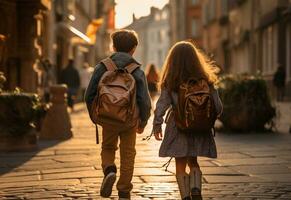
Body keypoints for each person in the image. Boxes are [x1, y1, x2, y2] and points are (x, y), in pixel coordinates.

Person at [85, 29, 151, 200]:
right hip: (129, 120)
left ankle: (109, 169)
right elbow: (144, 100)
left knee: (108, 148)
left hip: (108, 117)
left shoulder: (102, 66)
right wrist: (143, 121)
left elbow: (89, 95)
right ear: (134, 48)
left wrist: (96, 116)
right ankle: (124, 190)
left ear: (113, 46)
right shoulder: (136, 70)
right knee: (128, 153)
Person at [152, 41, 222, 200]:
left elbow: (162, 105)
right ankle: (196, 189)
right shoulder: (205, 81)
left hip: (178, 128)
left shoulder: (171, 81)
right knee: (194, 162)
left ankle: (185, 197)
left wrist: (157, 124)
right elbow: (218, 107)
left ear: (172, 61)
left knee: (180, 165)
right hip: (199, 129)